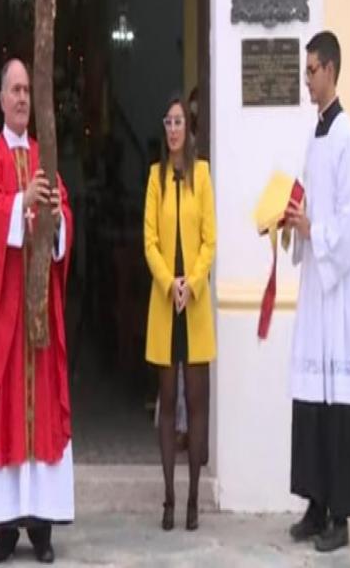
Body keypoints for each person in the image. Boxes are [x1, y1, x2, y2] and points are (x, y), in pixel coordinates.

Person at [0, 58, 74, 564]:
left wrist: (55, 219)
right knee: (6, 410)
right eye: (15, 90)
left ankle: (42, 527)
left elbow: (65, 212)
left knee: (42, 411)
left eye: (28, 90)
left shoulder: (45, 154)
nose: (23, 98)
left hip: (40, 313)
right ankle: (6, 527)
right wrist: (17, 202)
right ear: (1, 100)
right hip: (6, 313)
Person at [284, 31, 350, 553]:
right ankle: (316, 504)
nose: (305, 78)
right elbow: (307, 198)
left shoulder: (347, 137)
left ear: (331, 71)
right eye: (303, 70)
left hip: (339, 296)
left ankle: (340, 517)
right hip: (316, 292)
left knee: (339, 401)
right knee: (313, 398)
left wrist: (313, 232)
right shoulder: (314, 135)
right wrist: (289, 219)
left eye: (311, 69)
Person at [143, 94, 216, 532]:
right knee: (168, 402)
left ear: (188, 128)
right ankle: (169, 498)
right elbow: (149, 239)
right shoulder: (155, 177)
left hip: (197, 301)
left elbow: (210, 238)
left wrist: (195, 282)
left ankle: (193, 501)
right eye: (167, 121)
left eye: (178, 122)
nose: (173, 129)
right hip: (166, 300)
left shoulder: (202, 175)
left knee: (198, 401)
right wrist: (170, 283)